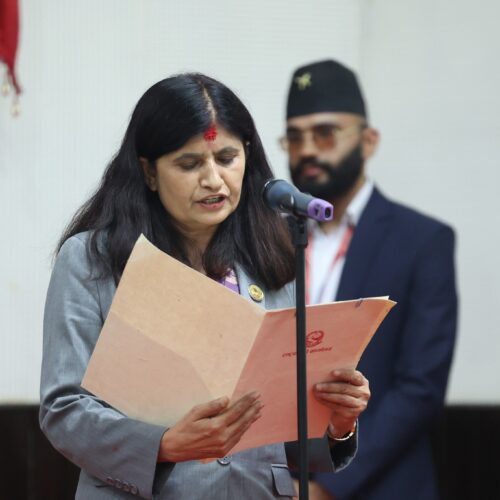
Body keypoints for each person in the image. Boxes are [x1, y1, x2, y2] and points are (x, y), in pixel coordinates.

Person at [39, 73, 372, 500]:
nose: (214, 179)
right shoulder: (93, 260)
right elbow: (64, 410)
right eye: (190, 164)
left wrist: (337, 424)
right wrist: (163, 445)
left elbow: (281, 436)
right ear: (149, 172)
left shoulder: (271, 259)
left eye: (227, 158)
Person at [282, 60, 457, 499]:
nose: (308, 150)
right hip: (274, 482)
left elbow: (420, 388)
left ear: (369, 140)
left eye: (325, 133)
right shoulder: (269, 238)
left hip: (380, 486)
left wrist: (327, 487)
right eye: (295, 137)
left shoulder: (421, 241)